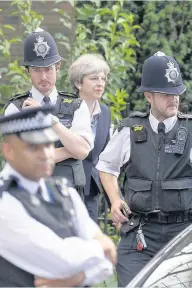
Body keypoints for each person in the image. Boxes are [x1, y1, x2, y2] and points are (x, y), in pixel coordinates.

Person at [96, 51, 192, 286]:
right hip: (139, 235)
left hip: (181, 235)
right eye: (166, 94)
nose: (174, 99)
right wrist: (115, 200)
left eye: (177, 93)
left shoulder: (189, 131)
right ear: (148, 95)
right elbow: (106, 166)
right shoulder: (131, 129)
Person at [0, 106, 117, 287]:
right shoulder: (4, 200)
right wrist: (102, 246)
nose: (45, 154)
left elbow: (107, 263)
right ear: (8, 150)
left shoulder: (62, 191)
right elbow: (62, 259)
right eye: (33, 147)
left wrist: (78, 278)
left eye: (48, 144)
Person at [4, 27, 94, 196]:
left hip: (68, 196)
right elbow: (17, 158)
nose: (43, 76)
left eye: (48, 69)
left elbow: (82, 150)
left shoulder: (76, 105)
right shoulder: (15, 108)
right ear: (28, 71)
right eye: (37, 70)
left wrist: (50, 119)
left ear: (58, 67)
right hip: (29, 197)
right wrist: (68, 151)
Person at [68, 54, 111, 222]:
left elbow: (104, 157)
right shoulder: (66, 109)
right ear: (79, 83)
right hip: (66, 187)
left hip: (90, 190)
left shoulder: (105, 112)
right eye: (94, 78)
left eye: (103, 78)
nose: (100, 83)